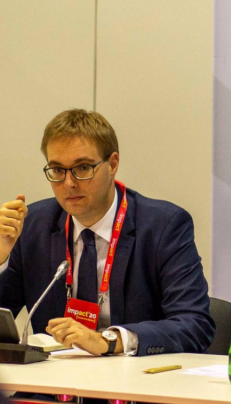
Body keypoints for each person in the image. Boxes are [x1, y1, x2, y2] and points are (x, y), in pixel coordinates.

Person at [0, 109, 213, 356]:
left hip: (137, 378)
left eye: (82, 167)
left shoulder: (163, 227)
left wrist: (110, 340)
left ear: (112, 164)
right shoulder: (34, 226)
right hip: (57, 378)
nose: (69, 183)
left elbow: (195, 324)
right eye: (57, 170)